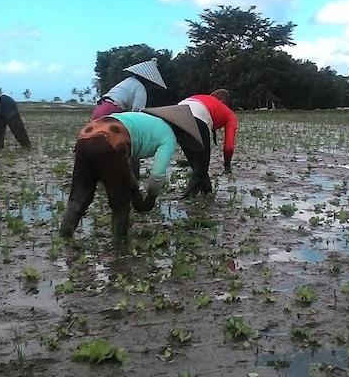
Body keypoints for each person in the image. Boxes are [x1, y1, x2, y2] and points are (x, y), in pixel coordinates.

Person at [60, 105, 202, 243]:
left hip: (87, 135)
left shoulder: (144, 120)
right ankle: (119, 246)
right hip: (111, 140)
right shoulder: (169, 136)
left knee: (80, 193)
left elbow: (125, 166)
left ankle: (65, 237)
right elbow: (157, 174)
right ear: (182, 131)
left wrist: (136, 193)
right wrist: (151, 197)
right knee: (121, 203)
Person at [178, 88, 239, 197]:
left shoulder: (203, 98)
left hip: (176, 114)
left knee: (197, 164)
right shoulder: (229, 113)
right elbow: (229, 147)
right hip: (198, 117)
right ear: (226, 103)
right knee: (202, 168)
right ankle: (185, 199)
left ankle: (207, 193)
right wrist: (227, 165)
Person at [91, 58, 166, 119]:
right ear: (148, 80)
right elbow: (137, 112)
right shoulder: (140, 87)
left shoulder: (128, 81)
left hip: (99, 109)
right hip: (112, 111)